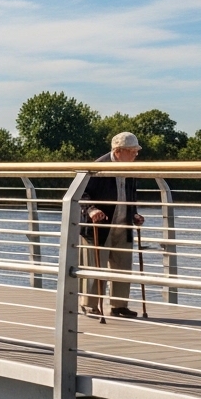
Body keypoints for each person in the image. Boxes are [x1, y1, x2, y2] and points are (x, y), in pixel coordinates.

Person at [81, 131, 145, 318]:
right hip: (99, 226)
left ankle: (119, 305)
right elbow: (82, 193)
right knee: (95, 266)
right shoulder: (97, 167)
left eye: (136, 151)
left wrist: (134, 214)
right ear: (118, 151)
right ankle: (89, 305)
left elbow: (130, 196)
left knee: (123, 266)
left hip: (122, 224)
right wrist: (91, 209)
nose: (136, 154)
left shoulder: (130, 168)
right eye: (132, 151)